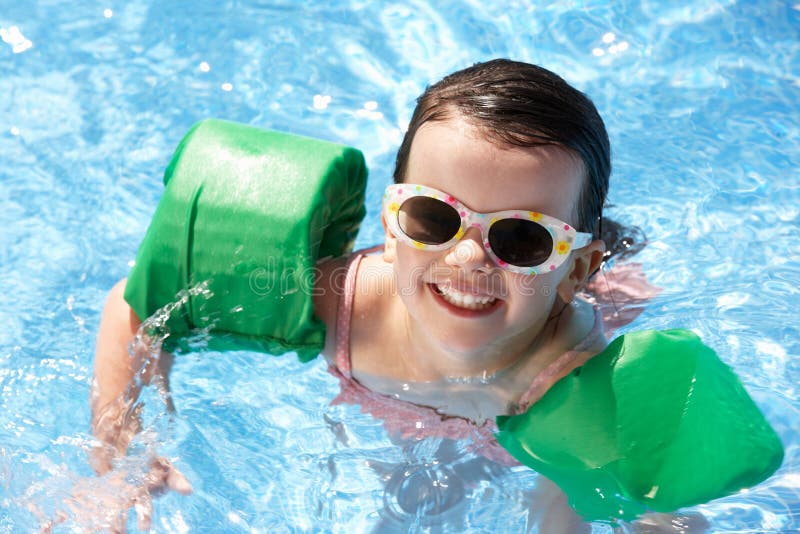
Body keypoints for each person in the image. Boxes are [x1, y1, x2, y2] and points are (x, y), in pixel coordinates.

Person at [88, 59, 762, 530]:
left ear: (577, 268)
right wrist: (117, 458)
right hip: (397, 388)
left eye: (521, 238)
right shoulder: (339, 302)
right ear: (391, 220)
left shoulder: (571, 378)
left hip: (517, 406)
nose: (467, 257)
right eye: (434, 219)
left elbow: (640, 500)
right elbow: (138, 306)